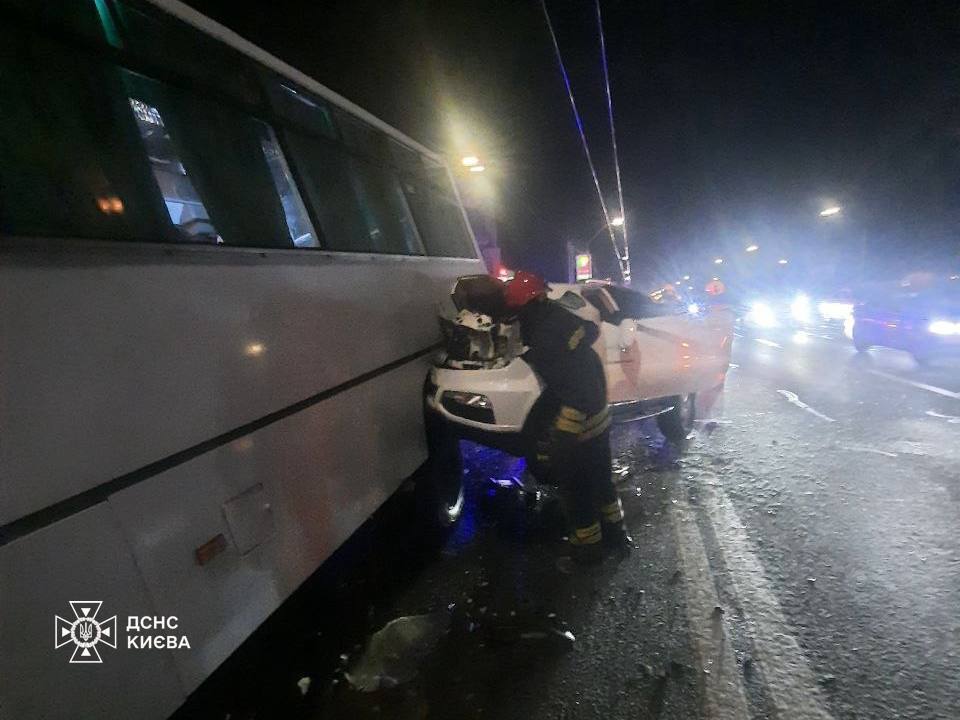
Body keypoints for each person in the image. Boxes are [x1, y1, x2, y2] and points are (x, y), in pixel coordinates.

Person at [503, 271, 631, 564]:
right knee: (601, 478)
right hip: (599, 408)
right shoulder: (560, 315)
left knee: (575, 487)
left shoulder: (540, 335)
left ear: (523, 306)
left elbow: (553, 370)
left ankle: (587, 550)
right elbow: (591, 330)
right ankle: (617, 535)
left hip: (578, 415)